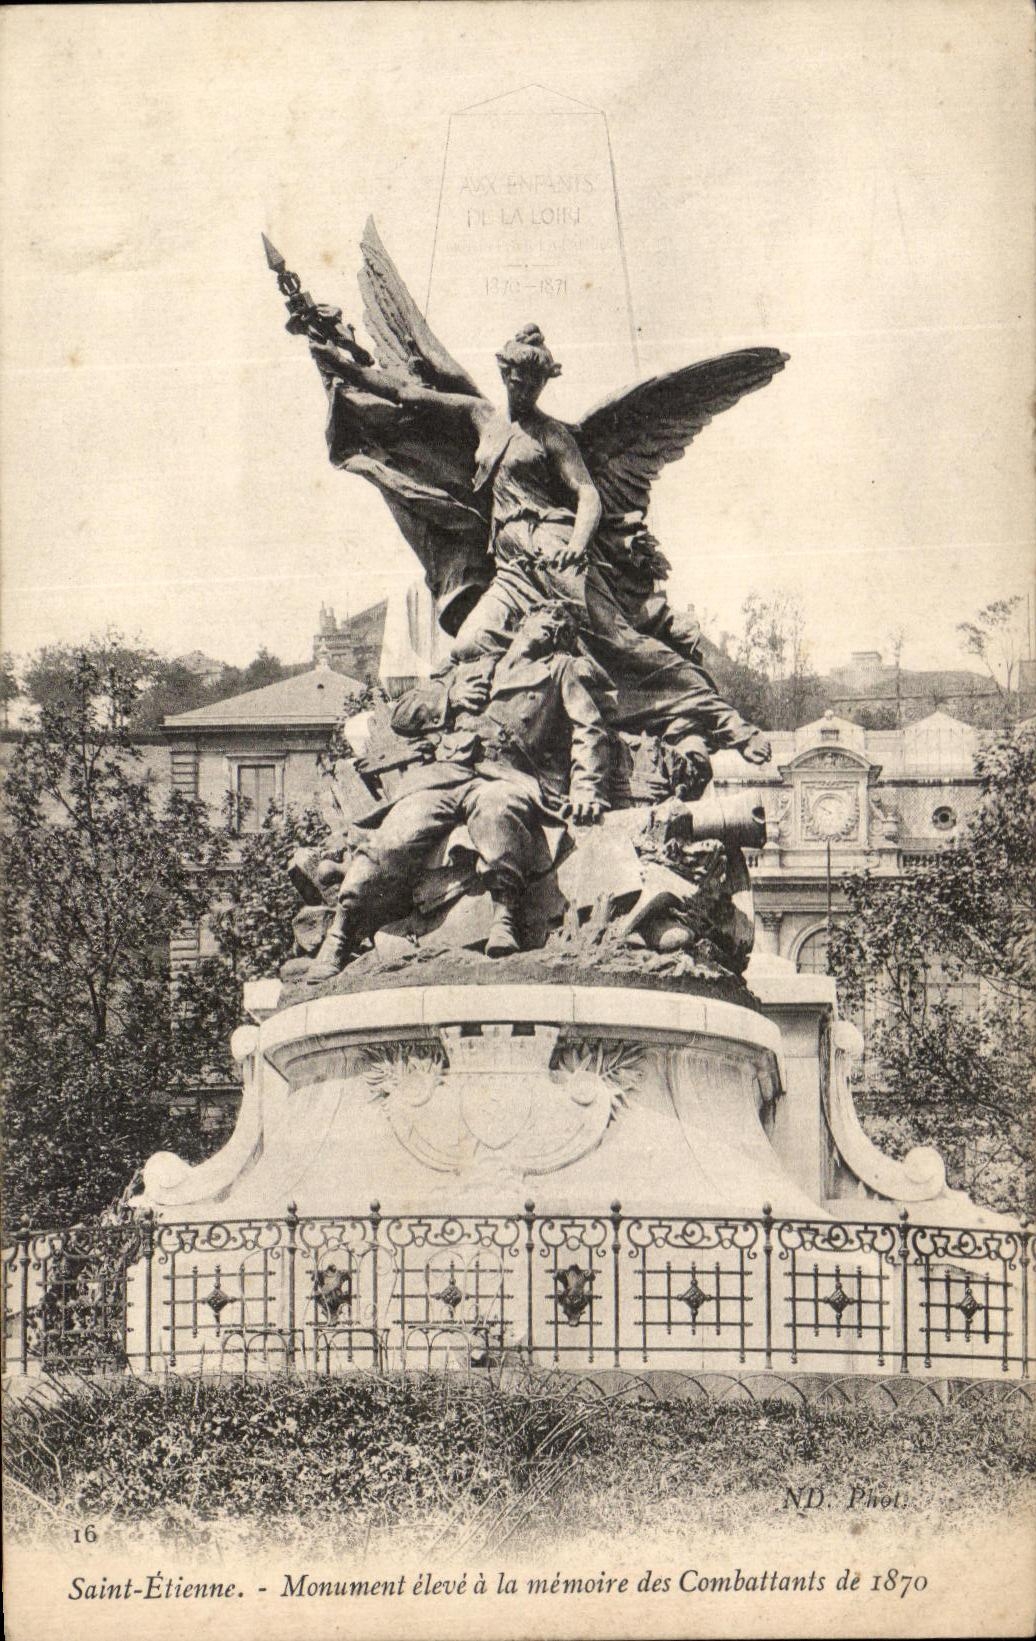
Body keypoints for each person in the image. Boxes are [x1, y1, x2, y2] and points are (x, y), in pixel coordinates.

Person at [308, 322, 771, 771]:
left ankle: (726, 721)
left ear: (542, 382)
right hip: (511, 569)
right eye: (515, 377)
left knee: (621, 643)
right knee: (470, 641)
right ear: (504, 372)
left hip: (555, 557)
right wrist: (342, 368)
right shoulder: (481, 417)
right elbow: (407, 394)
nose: (522, 387)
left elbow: (587, 494)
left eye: (533, 381)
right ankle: (479, 729)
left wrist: (576, 544)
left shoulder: (554, 436)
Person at [305, 602, 612, 980]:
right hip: (444, 774)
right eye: (548, 620)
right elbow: (403, 715)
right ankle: (340, 931)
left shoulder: (559, 670)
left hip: (505, 774)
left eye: (562, 630)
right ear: (522, 622)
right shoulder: (472, 667)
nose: (554, 629)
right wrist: (448, 700)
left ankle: (505, 918)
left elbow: (590, 729)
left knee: (501, 810)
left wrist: (586, 788)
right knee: (394, 838)